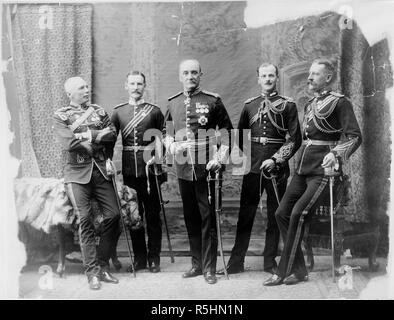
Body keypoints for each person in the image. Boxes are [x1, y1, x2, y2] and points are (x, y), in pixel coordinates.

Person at [263, 58, 362, 286]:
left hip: (323, 173)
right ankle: (300, 270)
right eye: (309, 73)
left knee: (297, 214)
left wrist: (336, 153)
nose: (309, 77)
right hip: (303, 169)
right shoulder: (309, 105)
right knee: (281, 213)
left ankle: (282, 270)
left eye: (315, 74)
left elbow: (355, 136)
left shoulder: (340, 103)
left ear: (328, 77)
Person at [218, 63, 301, 275]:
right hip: (253, 169)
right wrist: (246, 163)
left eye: (271, 76)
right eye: (264, 76)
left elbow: (295, 139)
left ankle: (269, 262)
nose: (267, 79)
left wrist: (276, 159)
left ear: (277, 78)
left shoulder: (288, 106)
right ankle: (236, 262)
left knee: (275, 215)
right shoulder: (249, 106)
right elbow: (239, 136)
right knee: (245, 216)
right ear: (258, 79)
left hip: (277, 169)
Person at [164, 59, 233, 284]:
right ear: (180, 76)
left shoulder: (213, 100)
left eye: (194, 72)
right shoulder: (173, 102)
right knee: (191, 218)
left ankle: (210, 268)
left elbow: (226, 131)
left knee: (208, 218)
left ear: (200, 74)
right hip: (184, 168)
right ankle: (196, 264)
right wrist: (172, 146)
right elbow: (168, 131)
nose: (190, 76)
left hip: (207, 168)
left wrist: (219, 158)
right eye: (186, 72)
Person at [53, 76, 120, 290]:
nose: (86, 89)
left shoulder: (99, 111)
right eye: (81, 88)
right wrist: (96, 135)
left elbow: (112, 134)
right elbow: (69, 142)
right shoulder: (61, 115)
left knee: (114, 215)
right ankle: (92, 272)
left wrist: (88, 138)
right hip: (75, 173)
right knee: (85, 219)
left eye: (86, 86)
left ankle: (101, 265)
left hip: (100, 170)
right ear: (70, 93)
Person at [111, 71, 164, 273]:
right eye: (132, 83)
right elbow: (109, 140)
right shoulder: (118, 112)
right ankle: (140, 258)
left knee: (152, 216)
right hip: (129, 172)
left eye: (139, 84)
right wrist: (107, 161)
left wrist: (159, 160)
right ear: (126, 86)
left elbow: (163, 139)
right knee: (134, 216)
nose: (135, 87)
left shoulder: (155, 112)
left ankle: (154, 258)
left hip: (150, 171)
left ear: (145, 86)